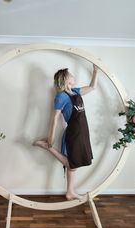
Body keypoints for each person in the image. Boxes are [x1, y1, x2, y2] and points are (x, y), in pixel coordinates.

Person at [33, 65, 98, 200]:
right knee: (72, 163)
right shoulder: (61, 96)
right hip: (74, 132)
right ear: (65, 78)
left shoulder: (75, 91)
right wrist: (51, 138)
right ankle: (46, 147)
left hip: (83, 131)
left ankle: (70, 192)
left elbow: (92, 87)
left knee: (73, 166)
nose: (73, 75)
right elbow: (54, 118)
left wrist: (96, 71)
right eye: (70, 74)